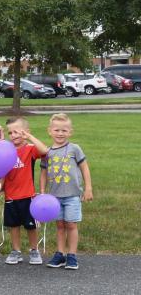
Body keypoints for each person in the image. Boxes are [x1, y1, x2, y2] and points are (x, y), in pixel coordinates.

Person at [41, 113, 93, 270]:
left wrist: (88, 187)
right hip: (55, 197)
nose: (60, 133)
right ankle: (60, 254)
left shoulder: (74, 149)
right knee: (60, 226)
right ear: (49, 131)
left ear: (70, 132)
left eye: (64, 130)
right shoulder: (47, 152)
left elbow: (84, 167)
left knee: (71, 225)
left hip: (72, 196)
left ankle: (72, 255)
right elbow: (43, 173)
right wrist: (42, 192)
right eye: (56, 130)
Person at [0, 117, 48, 265]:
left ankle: (34, 250)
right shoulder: (6, 150)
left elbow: (45, 151)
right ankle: (16, 251)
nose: (13, 135)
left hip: (28, 196)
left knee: (31, 226)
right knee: (13, 226)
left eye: (17, 132)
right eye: (10, 133)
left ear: (26, 132)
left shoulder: (30, 149)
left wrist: (29, 137)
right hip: (11, 197)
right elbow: (2, 172)